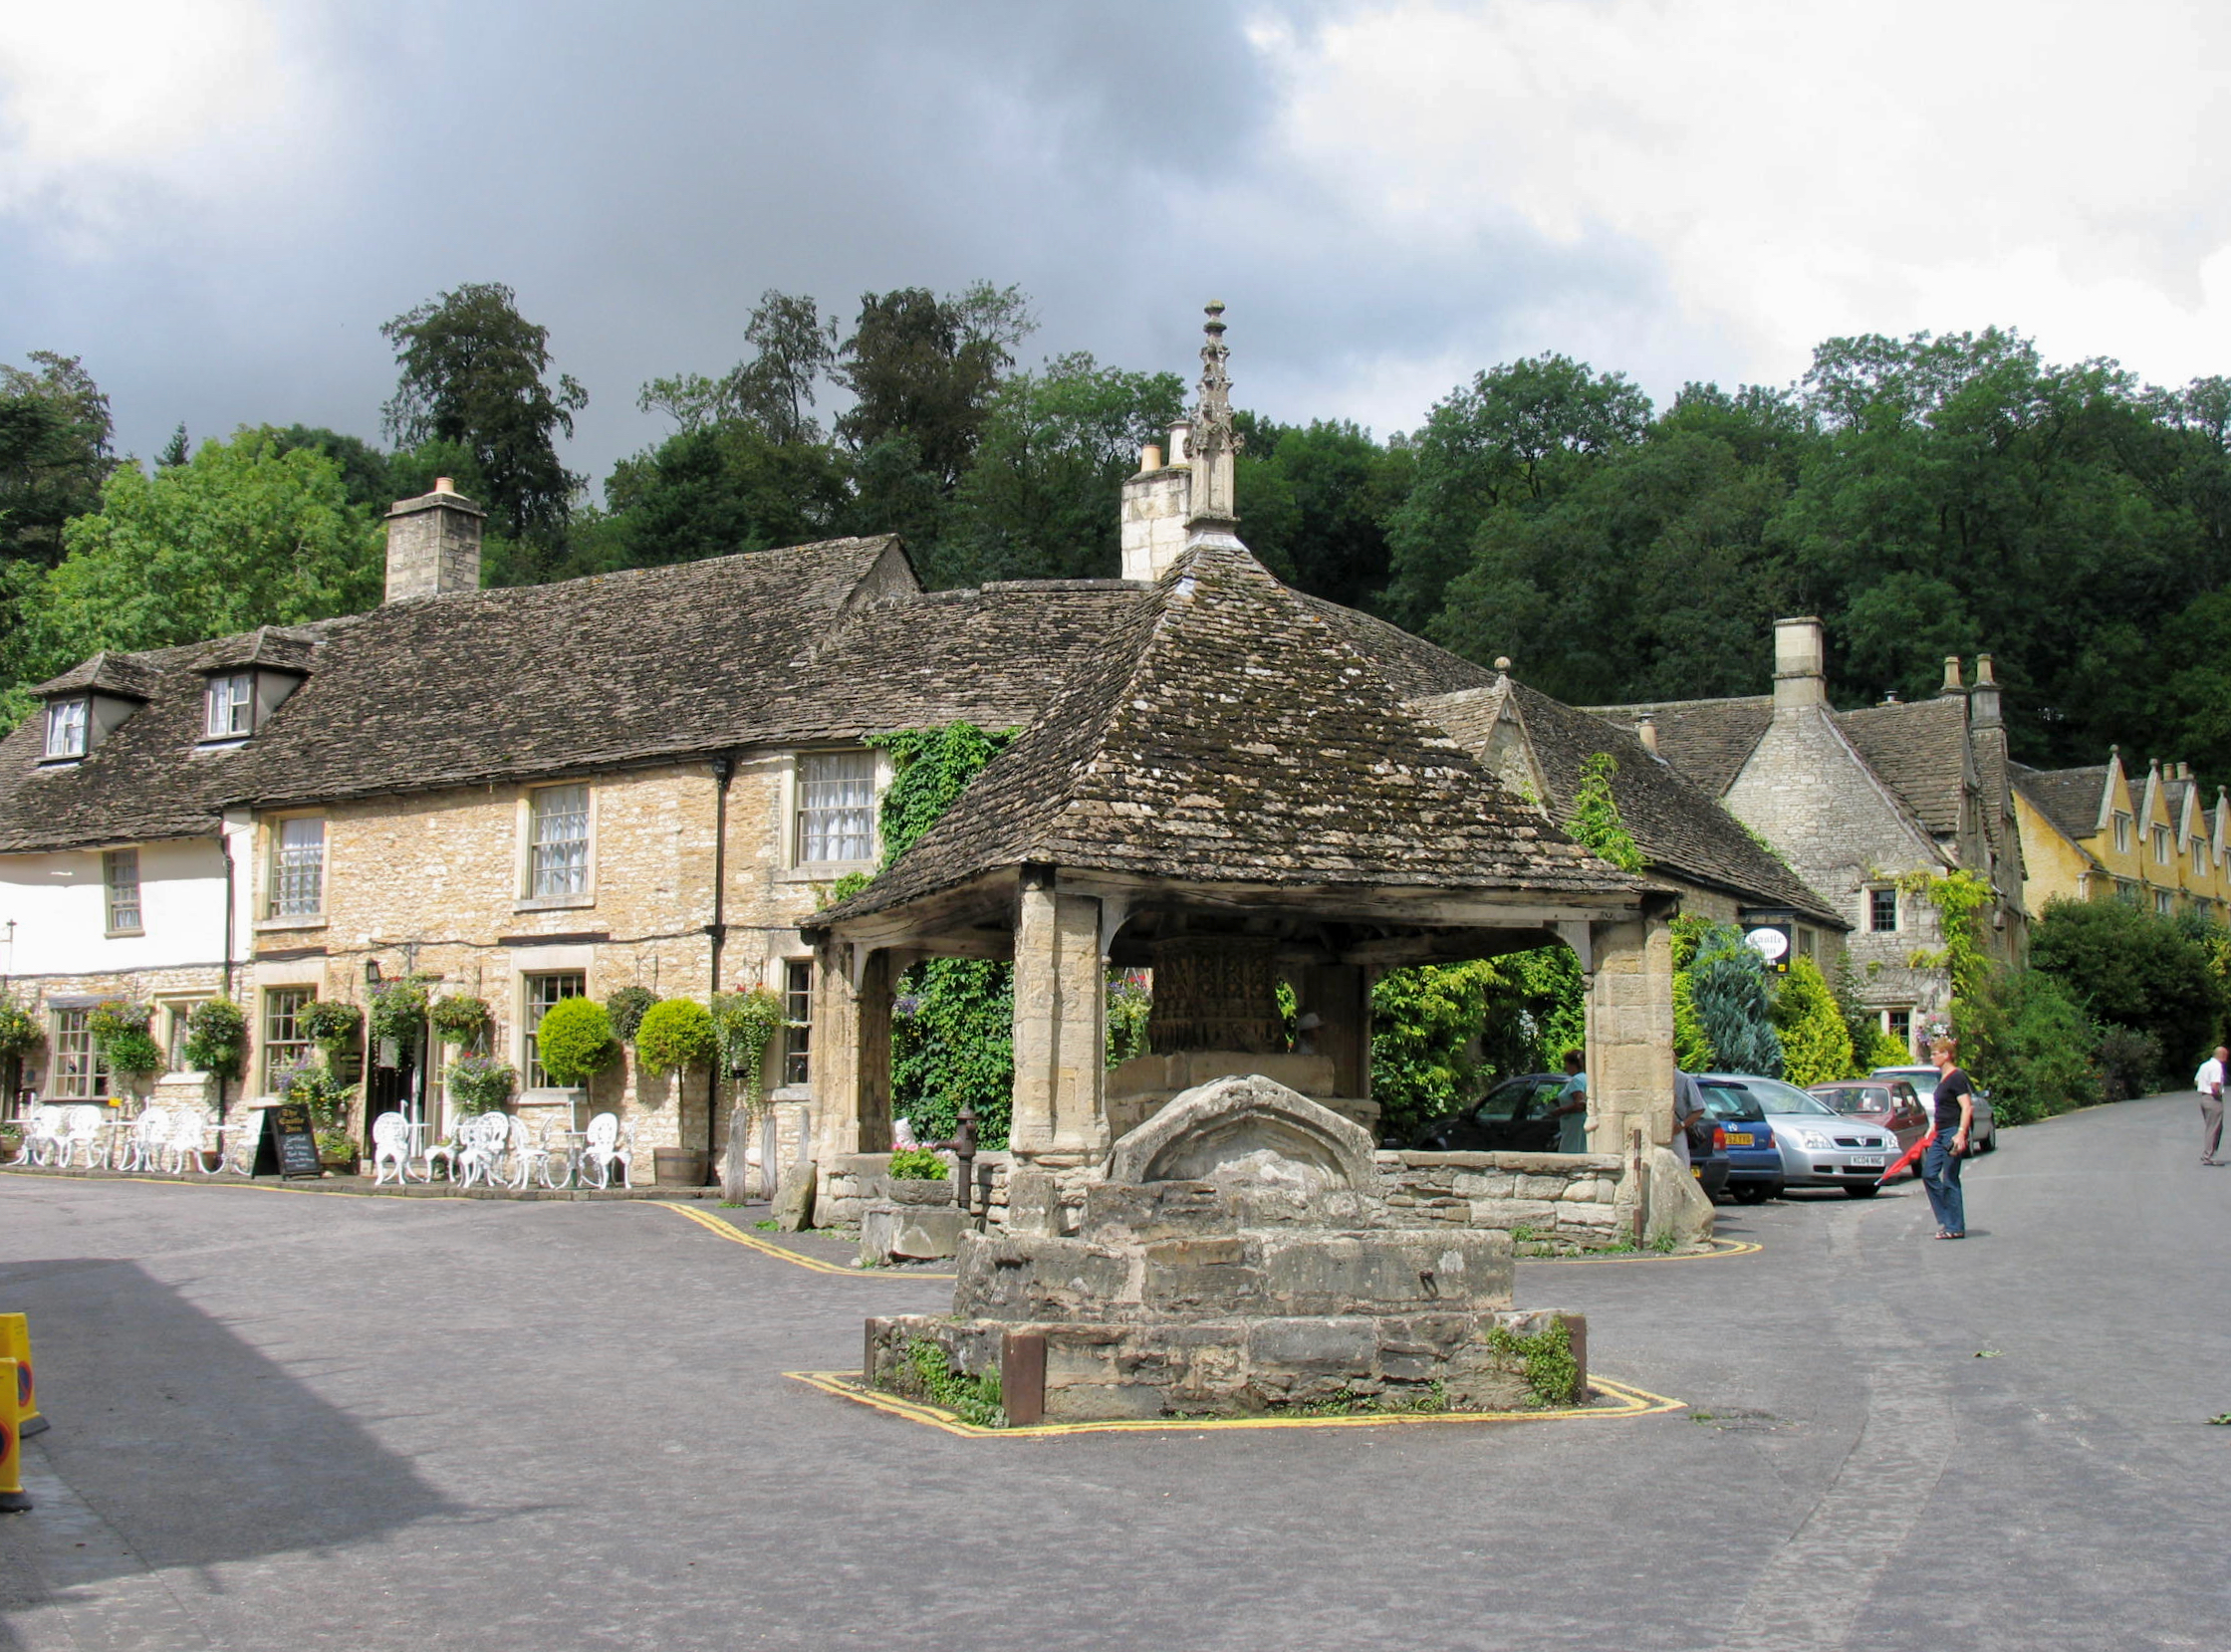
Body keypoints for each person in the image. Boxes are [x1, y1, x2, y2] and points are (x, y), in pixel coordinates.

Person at [1921, 1038, 1974, 1239]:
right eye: (1932, 1053)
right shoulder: (1942, 1079)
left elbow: (1967, 1106)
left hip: (1952, 1132)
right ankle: (1946, 1218)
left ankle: (1955, 1226)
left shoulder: (1957, 1077)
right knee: (1929, 1173)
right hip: (1940, 1131)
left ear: (1947, 1055)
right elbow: (1944, 1107)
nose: (1932, 1057)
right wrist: (1933, 1126)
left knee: (1950, 1178)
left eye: (1935, 1053)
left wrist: (1961, 1133)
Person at [1548, 1049, 1589, 1154]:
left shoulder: (1576, 1080)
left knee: (1570, 1151)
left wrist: (1560, 1111)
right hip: (1580, 1123)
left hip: (1574, 1125)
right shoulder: (1586, 1078)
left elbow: (1580, 1104)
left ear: (1571, 1064)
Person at [2194, 1046, 2226, 1166]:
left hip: (2203, 1098)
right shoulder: (2217, 1066)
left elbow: (2196, 1080)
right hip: (2213, 1098)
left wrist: (2203, 1085)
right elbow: (2214, 1085)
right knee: (2214, 1128)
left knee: (2211, 1126)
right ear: (2222, 1055)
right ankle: (2208, 1155)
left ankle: (2209, 1154)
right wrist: (2218, 1094)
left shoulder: (2204, 1065)